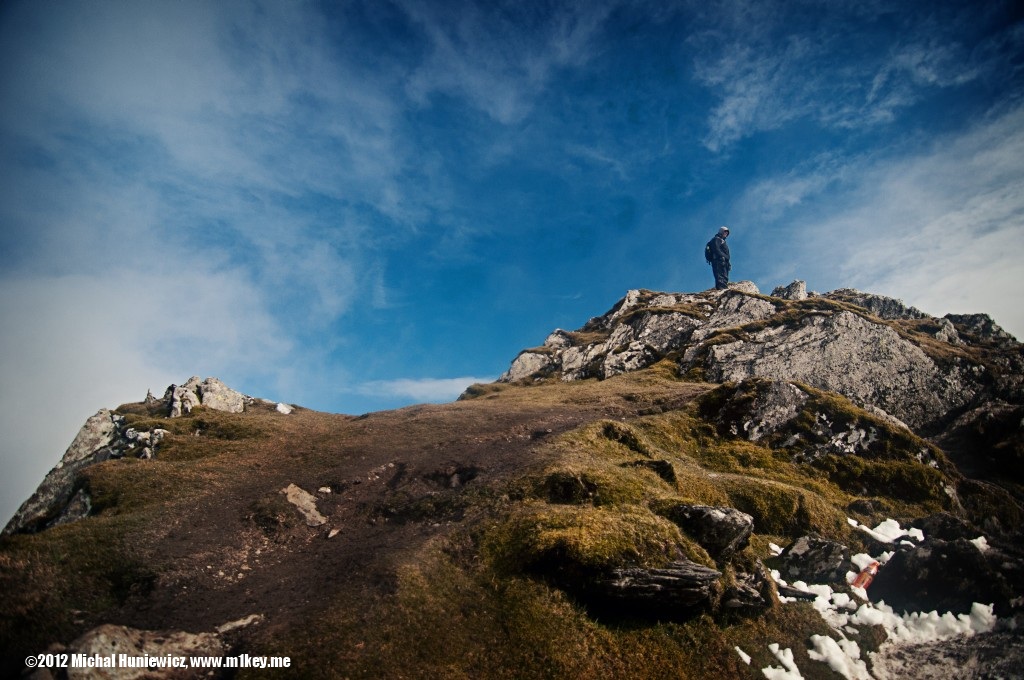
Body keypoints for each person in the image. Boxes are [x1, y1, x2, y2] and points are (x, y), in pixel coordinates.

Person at [705, 225, 731, 290]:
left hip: (723, 261)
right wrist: (723, 257)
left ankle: (723, 289)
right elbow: (716, 249)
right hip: (718, 261)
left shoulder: (722, 241)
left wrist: (728, 262)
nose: (726, 234)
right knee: (720, 276)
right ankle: (722, 290)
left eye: (727, 233)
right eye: (725, 232)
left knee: (724, 277)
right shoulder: (716, 239)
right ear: (721, 232)